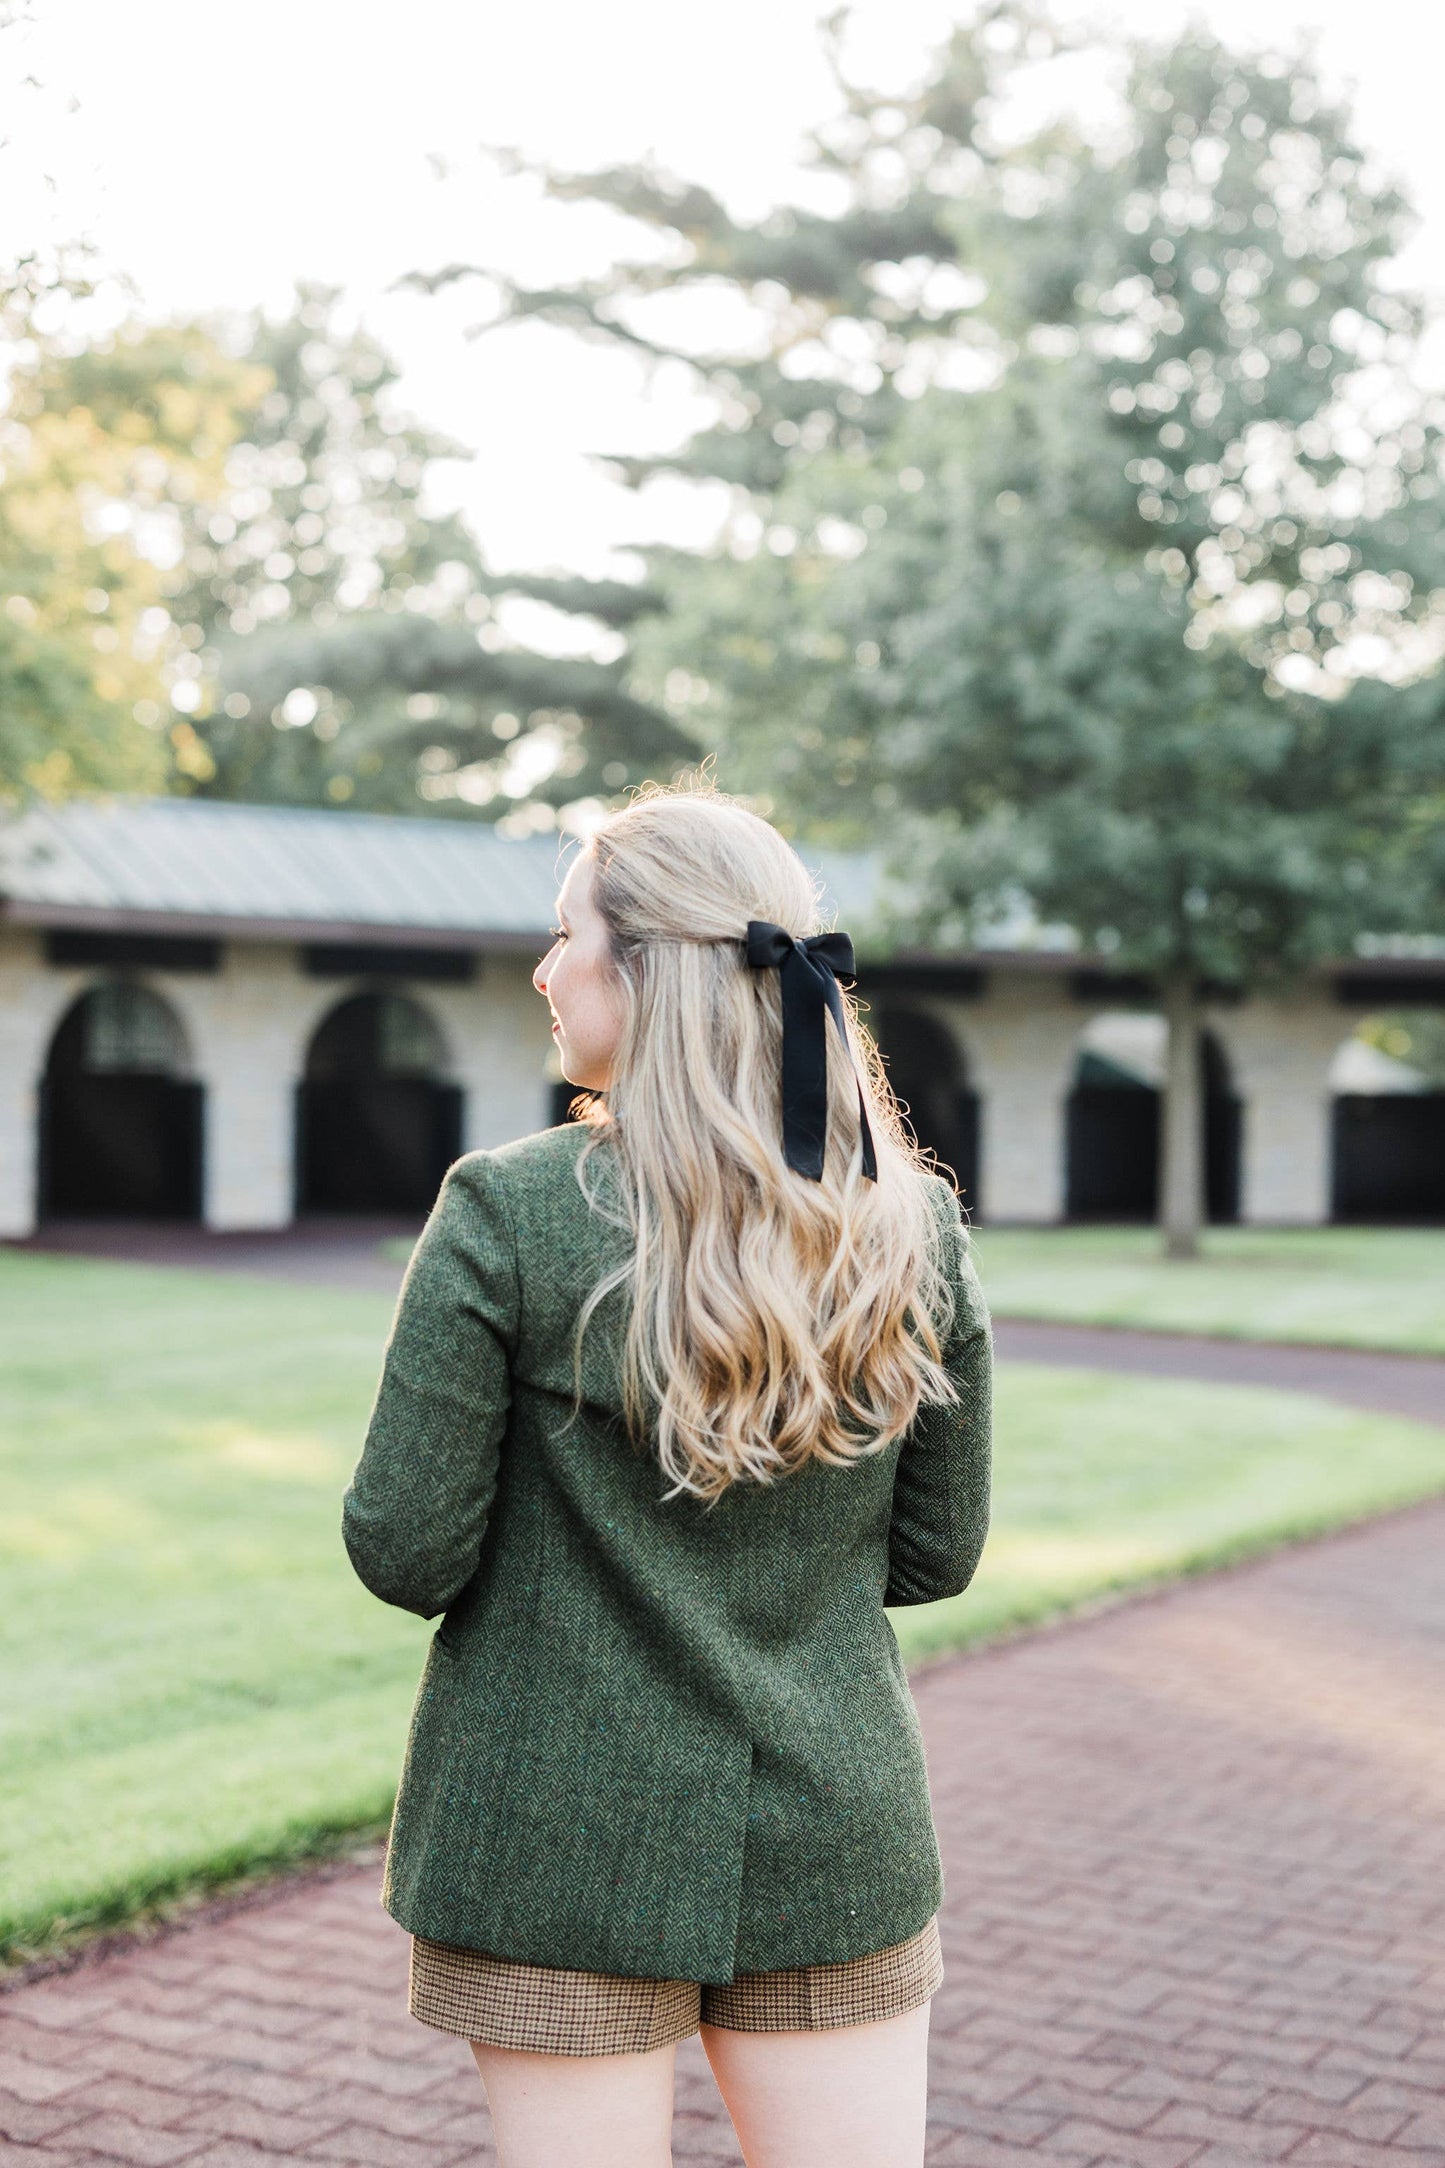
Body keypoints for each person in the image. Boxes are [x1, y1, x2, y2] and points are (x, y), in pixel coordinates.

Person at [343, 784, 992, 2168]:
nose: (544, 968)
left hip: (550, 1837)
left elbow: (406, 1548)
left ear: (639, 968)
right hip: (832, 1822)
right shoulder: (910, 1221)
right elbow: (936, 1555)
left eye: (563, 933)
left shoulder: (507, 1209)